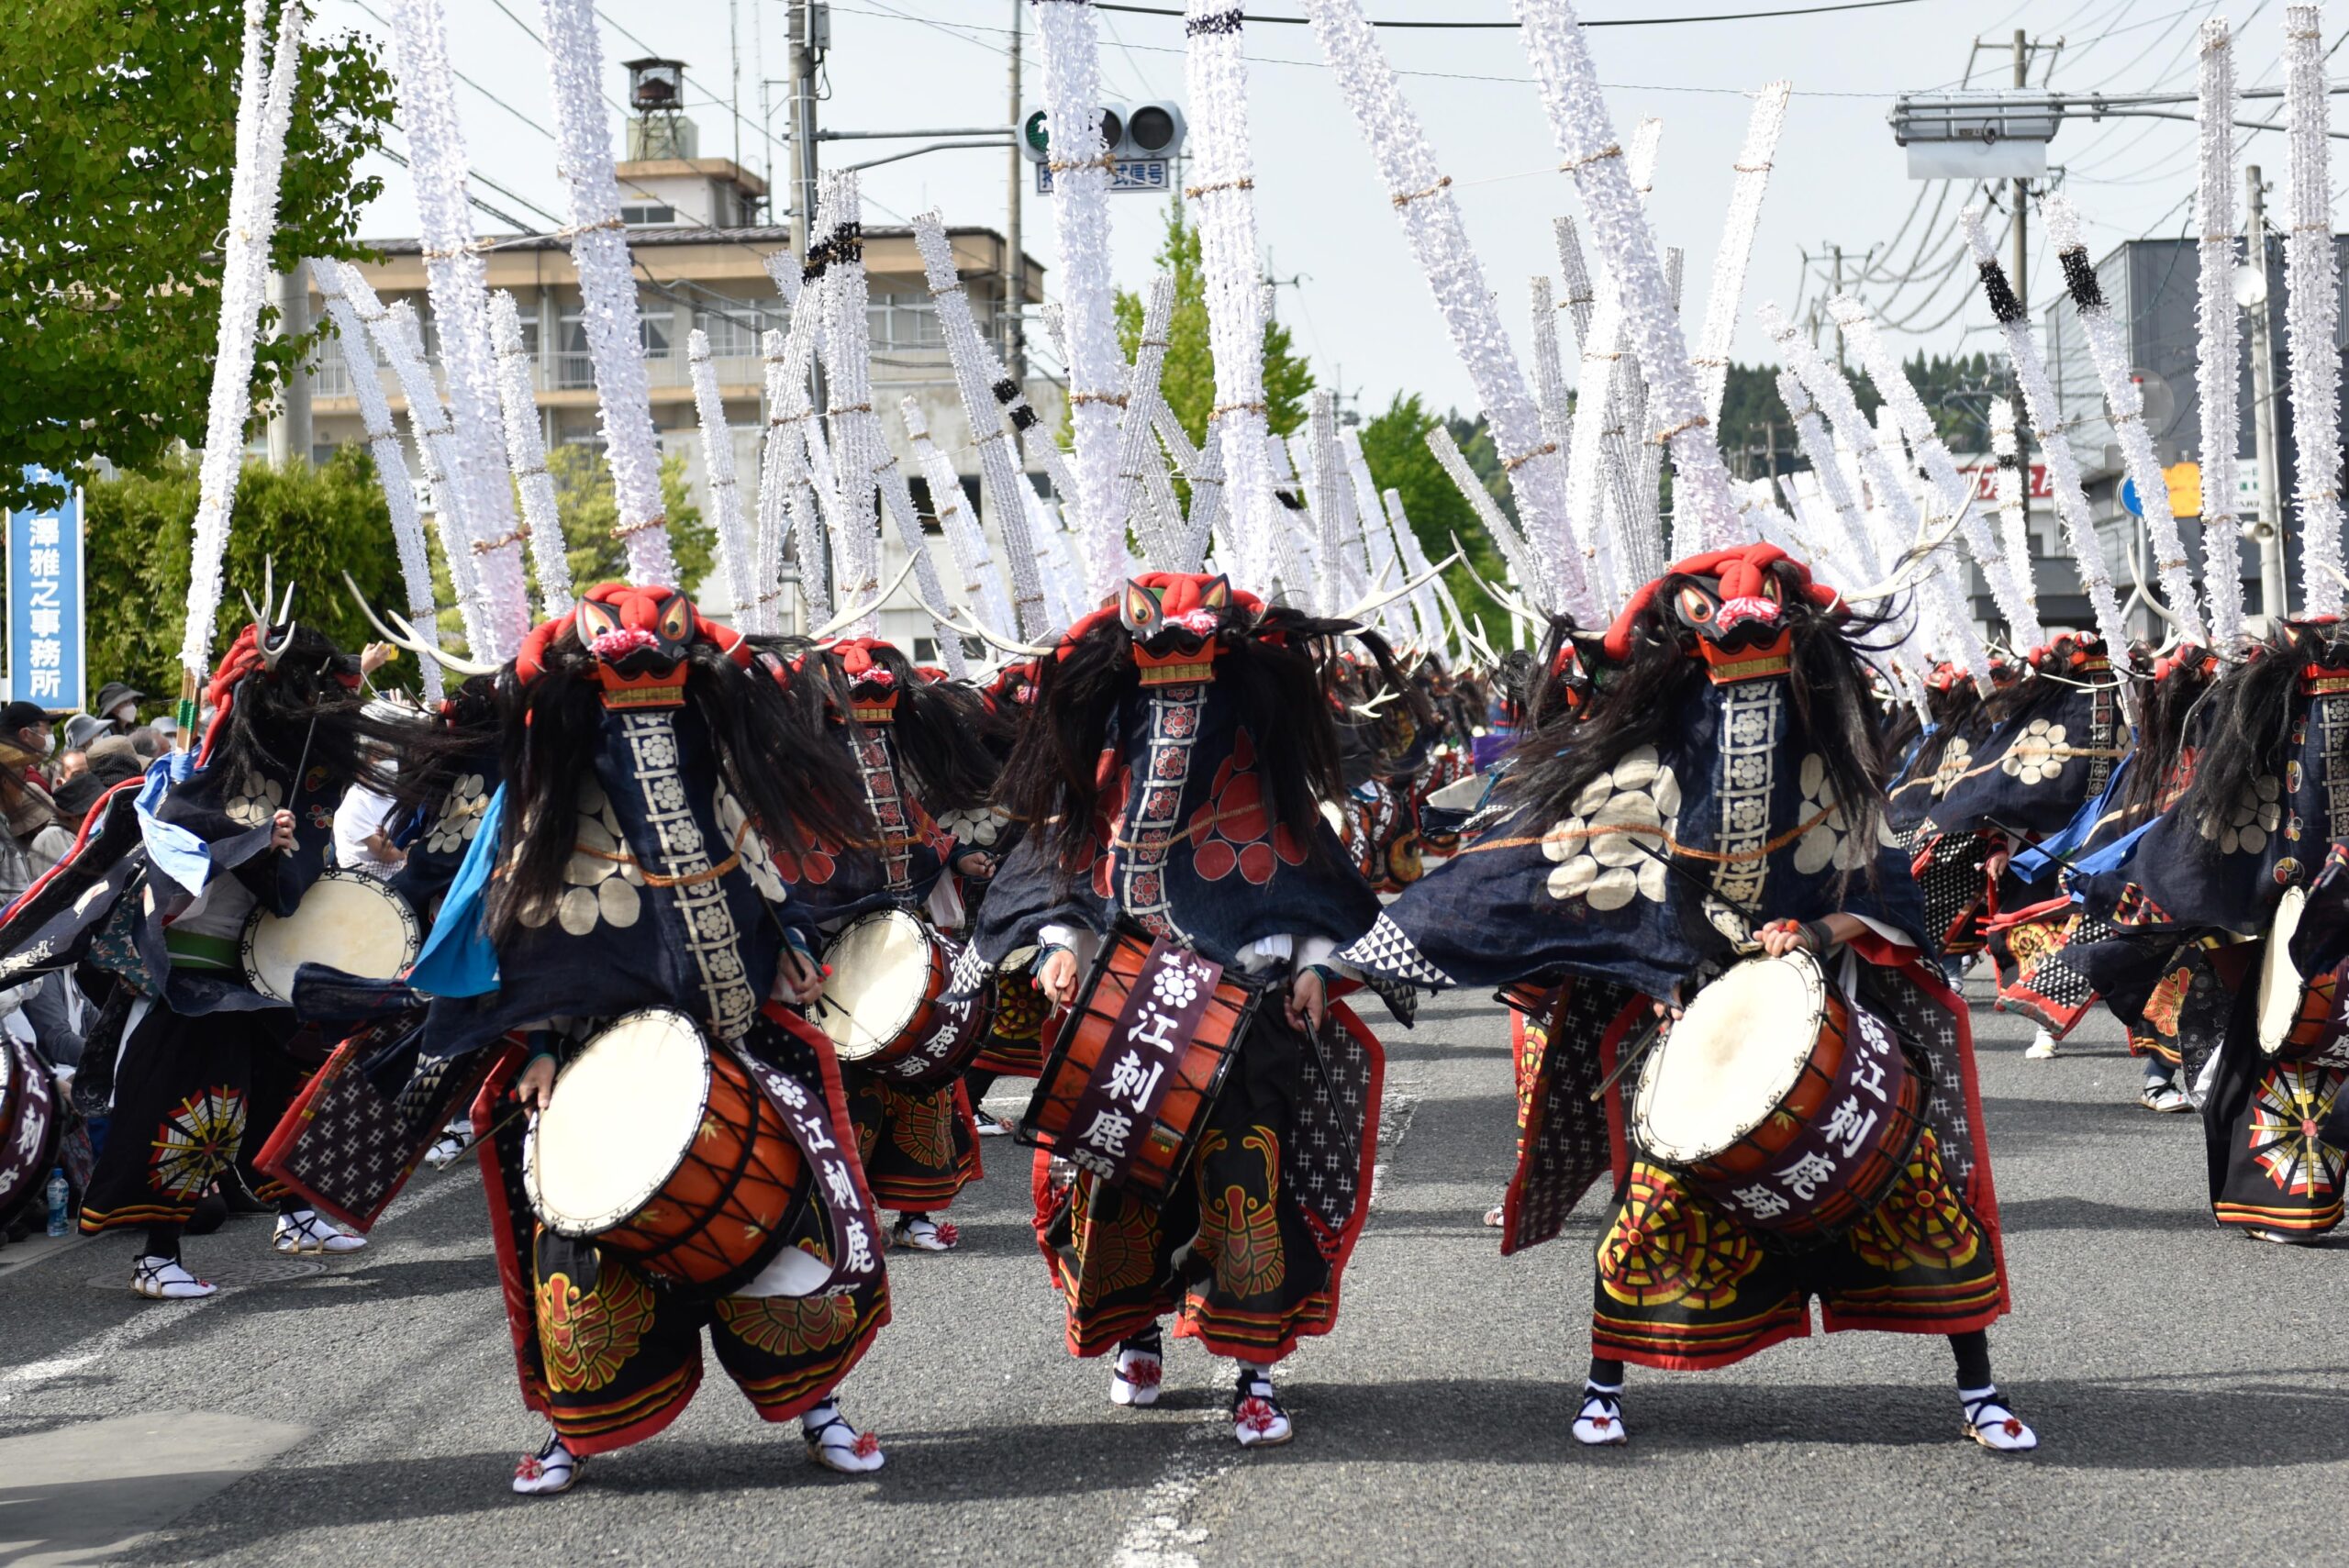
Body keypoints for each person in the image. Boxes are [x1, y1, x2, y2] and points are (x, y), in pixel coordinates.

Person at [1340, 544, 2037, 1455]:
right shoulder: (1657, 748)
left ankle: (1978, 1387)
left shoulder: (1827, 747)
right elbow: (1531, 868)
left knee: (1914, 1185)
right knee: (1654, 1195)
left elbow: (1882, 890)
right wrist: (1361, 961)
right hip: (1690, 1003)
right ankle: (1604, 1382)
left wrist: (1816, 932)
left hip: (1830, 1000)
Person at [392, 584, 896, 1495]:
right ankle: (575, 1429)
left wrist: (787, 944)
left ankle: (817, 1404)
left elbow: (759, 879)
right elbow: (532, 939)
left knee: (778, 1216)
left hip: (729, 1039)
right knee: (577, 1240)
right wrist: (540, 1044)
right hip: (600, 1061)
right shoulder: (557, 804)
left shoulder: (711, 763)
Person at [968, 573, 1406, 1449]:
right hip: (1130, 1006)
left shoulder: (1264, 776)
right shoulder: (1111, 776)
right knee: (1118, 1183)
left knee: (1245, 1184)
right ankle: (1136, 1331)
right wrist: (1060, 945)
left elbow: (1311, 886)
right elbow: (1065, 875)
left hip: (1247, 1007)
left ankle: (1254, 1372)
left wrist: (1316, 966)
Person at [0, 701, 56, 792]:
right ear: (26, 734)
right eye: (48, 729)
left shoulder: (24, 773)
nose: (51, 735)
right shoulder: (33, 783)